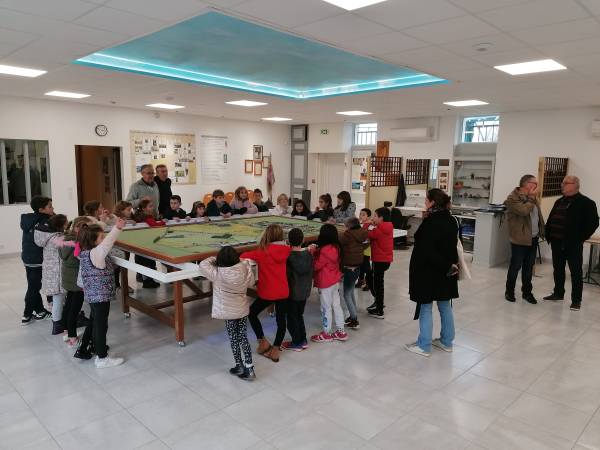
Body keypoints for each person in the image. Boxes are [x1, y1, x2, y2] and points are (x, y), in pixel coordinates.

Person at [406, 189, 458, 357]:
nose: (424, 203)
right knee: (445, 305)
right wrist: (448, 266)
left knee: (426, 307)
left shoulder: (431, 222)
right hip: (447, 270)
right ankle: (446, 341)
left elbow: (427, 250)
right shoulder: (451, 219)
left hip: (428, 271)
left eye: (426, 200)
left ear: (432, 202)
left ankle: (424, 345)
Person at [199, 246, 256, 380]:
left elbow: (203, 264)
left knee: (234, 338)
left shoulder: (217, 273)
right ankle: (250, 367)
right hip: (242, 309)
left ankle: (239, 365)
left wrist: (215, 258)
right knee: (243, 337)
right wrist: (242, 262)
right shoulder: (245, 269)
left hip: (228, 312)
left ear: (220, 260)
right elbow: (252, 282)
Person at [544, 176, 599, 311]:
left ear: (575, 185)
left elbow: (593, 223)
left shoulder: (586, 203)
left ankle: (576, 300)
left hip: (572, 245)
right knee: (558, 270)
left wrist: (580, 238)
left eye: (565, 183)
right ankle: (558, 293)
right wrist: (548, 234)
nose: (562, 185)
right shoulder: (559, 201)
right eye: (562, 183)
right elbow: (552, 218)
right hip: (557, 243)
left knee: (575, 272)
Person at [78, 218, 127, 368]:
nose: (104, 239)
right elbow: (109, 242)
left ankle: (95, 349)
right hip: (99, 297)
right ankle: (102, 358)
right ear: (93, 241)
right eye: (101, 237)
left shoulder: (86, 253)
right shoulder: (97, 253)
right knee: (100, 325)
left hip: (93, 296)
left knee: (95, 323)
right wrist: (117, 228)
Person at [240, 224, 291, 363]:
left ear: (267, 235)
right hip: (282, 291)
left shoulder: (262, 251)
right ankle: (275, 350)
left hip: (268, 291)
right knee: (281, 321)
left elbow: (243, 256)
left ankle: (262, 341)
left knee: (251, 313)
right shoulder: (286, 249)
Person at [504, 175, 545, 304]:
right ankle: (509, 292)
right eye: (535, 183)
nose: (537, 186)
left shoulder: (532, 198)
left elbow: (537, 215)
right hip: (519, 240)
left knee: (529, 267)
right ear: (527, 184)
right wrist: (532, 198)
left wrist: (542, 229)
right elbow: (523, 211)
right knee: (515, 266)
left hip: (533, 238)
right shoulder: (512, 198)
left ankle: (527, 293)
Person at [309, 223, 348, 342]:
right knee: (336, 305)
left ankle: (326, 333)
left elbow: (316, 266)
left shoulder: (324, 251)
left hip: (325, 283)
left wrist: (312, 253)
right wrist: (317, 251)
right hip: (335, 281)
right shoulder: (336, 247)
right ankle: (341, 331)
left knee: (326, 308)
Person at [34, 213, 71, 335]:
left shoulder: (48, 236)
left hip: (51, 273)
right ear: (60, 225)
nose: (67, 224)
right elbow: (73, 245)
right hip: (57, 274)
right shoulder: (58, 238)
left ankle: (59, 322)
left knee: (58, 300)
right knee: (58, 300)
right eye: (66, 222)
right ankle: (57, 325)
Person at [60, 216, 93, 348]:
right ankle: (72, 336)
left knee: (68, 305)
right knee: (75, 308)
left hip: (68, 278)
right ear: (79, 229)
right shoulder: (79, 244)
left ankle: (66, 330)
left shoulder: (66, 239)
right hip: (76, 281)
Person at [20, 196, 53, 324]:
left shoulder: (30, 219)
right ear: (41, 209)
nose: (53, 208)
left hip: (28, 258)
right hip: (37, 259)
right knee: (34, 287)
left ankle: (40, 311)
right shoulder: (44, 222)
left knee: (33, 285)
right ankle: (26, 314)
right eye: (50, 206)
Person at [281, 228, 313, 351]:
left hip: (292, 293)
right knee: (299, 315)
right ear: (303, 240)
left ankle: (296, 342)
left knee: (291, 317)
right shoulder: (308, 254)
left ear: (288, 241)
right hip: (305, 291)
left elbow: (286, 275)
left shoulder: (288, 257)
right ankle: (303, 339)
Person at [340, 217, 368, 330]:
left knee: (346, 294)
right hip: (357, 267)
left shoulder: (347, 235)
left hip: (348, 267)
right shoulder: (363, 232)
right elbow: (366, 244)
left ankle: (355, 320)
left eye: (346, 225)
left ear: (349, 226)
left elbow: (338, 239)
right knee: (350, 291)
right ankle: (353, 315)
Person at [366, 207, 394, 319]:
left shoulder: (380, 228)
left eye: (375, 216)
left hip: (379, 260)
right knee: (373, 279)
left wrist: (367, 224)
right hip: (384, 260)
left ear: (381, 218)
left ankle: (379, 310)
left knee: (378, 285)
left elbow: (369, 234)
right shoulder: (387, 226)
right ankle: (378, 303)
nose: (373, 218)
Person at [133, 199, 164, 288]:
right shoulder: (146, 217)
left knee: (147, 262)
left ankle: (148, 280)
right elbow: (154, 224)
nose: (152, 208)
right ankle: (147, 281)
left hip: (142, 243)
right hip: (144, 244)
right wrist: (163, 222)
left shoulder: (141, 216)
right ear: (143, 208)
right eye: (150, 206)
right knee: (147, 262)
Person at [356, 208, 372, 291]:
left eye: (363, 214)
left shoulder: (370, 225)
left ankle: (369, 282)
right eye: (360, 214)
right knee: (360, 265)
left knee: (366, 266)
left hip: (366, 249)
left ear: (368, 216)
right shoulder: (360, 224)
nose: (361, 216)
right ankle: (360, 280)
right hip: (360, 248)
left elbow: (368, 237)